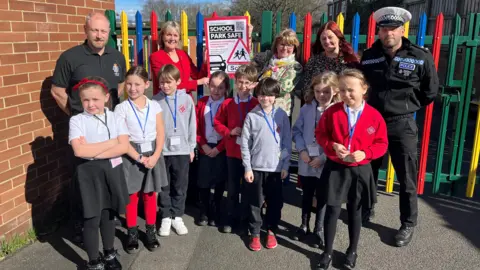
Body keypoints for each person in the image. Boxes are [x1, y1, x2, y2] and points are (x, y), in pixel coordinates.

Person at [360, 7, 439, 247]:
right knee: (368, 170)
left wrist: (406, 107)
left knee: (407, 177)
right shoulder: (369, 55)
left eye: (393, 29)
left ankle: (408, 223)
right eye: (384, 29)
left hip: (401, 122)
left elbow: (431, 91)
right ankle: (367, 207)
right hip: (373, 123)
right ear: (379, 31)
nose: (388, 33)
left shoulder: (419, 56)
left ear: (402, 30)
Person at [51, 11, 127, 243]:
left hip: (108, 129)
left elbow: (120, 86)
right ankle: (81, 225)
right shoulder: (70, 57)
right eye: (94, 30)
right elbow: (57, 91)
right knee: (83, 182)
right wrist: (79, 116)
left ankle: (107, 220)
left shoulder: (118, 57)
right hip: (85, 134)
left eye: (103, 31)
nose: (99, 35)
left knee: (108, 178)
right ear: (86, 31)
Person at [315, 69, 388, 269]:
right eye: (342, 90)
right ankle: (327, 252)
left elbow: (382, 143)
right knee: (332, 210)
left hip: (360, 170)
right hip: (336, 168)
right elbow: (320, 134)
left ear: (364, 89)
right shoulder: (332, 111)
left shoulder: (374, 116)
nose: (346, 95)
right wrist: (332, 145)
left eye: (351, 90)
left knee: (355, 212)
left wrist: (367, 153)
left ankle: (352, 251)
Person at [68, 76, 130, 270]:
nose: (90, 104)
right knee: (91, 217)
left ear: (106, 98)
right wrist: (112, 143)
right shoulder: (77, 120)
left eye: (95, 99)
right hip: (88, 174)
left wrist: (94, 149)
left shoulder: (115, 117)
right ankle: (94, 260)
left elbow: (124, 146)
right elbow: (79, 151)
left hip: (111, 170)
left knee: (108, 214)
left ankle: (110, 253)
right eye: (85, 100)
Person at [114, 66, 167, 253]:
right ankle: (132, 233)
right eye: (128, 84)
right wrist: (138, 157)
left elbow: (160, 132)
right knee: (131, 195)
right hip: (131, 154)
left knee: (150, 194)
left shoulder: (155, 106)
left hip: (152, 151)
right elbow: (122, 139)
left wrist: (155, 155)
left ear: (146, 84)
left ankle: (150, 231)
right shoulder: (121, 108)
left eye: (137, 84)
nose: (132, 88)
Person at [241, 77, 292, 251]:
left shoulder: (282, 115)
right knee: (255, 202)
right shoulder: (251, 116)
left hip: (276, 169)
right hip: (256, 168)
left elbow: (286, 141)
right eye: (262, 95)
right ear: (257, 95)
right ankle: (255, 232)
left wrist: (285, 166)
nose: (265, 98)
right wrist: (247, 167)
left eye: (269, 95)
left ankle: (271, 230)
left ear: (275, 96)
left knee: (275, 202)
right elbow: (245, 144)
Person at [291, 71, 340, 247]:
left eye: (326, 92)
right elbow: (296, 130)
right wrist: (302, 150)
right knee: (306, 193)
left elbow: (340, 138)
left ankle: (319, 229)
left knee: (322, 196)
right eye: (318, 91)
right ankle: (304, 224)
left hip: (325, 161)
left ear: (334, 90)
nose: (322, 95)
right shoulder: (307, 108)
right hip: (306, 159)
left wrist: (324, 157)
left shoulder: (338, 110)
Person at [213, 64, 259, 233]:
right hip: (233, 152)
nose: (243, 86)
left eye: (247, 83)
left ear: (254, 84)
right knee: (232, 188)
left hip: (252, 154)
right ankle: (231, 218)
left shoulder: (256, 103)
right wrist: (229, 132)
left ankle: (245, 218)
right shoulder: (227, 103)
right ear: (235, 82)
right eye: (240, 82)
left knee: (248, 188)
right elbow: (217, 123)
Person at [152, 64, 196, 237]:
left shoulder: (186, 100)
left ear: (178, 81)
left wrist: (191, 147)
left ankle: (177, 215)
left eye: (169, 82)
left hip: (182, 150)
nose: (165, 86)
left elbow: (192, 124)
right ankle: (165, 216)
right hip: (163, 151)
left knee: (180, 185)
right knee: (164, 185)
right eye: (162, 82)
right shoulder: (155, 101)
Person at [195, 71, 229, 226]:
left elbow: (230, 129)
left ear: (226, 89)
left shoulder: (229, 104)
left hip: (222, 147)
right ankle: (204, 210)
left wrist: (220, 148)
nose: (216, 90)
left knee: (220, 179)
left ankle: (216, 208)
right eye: (213, 87)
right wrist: (202, 144)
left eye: (221, 88)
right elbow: (195, 126)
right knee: (204, 180)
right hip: (205, 146)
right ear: (208, 86)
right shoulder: (202, 103)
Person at [299, 21, 358, 103]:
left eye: (330, 37)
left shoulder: (350, 62)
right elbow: (306, 87)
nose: (327, 41)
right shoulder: (314, 61)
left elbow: (355, 88)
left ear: (338, 38)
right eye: (323, 38)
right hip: (318, 107)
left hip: (342, 107)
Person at [150, 21, 209, 95]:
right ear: (162, 36)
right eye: (168, 35)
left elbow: (197, 76)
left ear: (179, 38)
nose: (172, 38)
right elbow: (166, 86)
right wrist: (198, 82)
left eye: (175, 35)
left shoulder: (183, 54)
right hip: (166, 101)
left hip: (186, 102)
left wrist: (205, 63)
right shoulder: (156, 57)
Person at [253, 29, 303, 117]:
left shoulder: (295, 67)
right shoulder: (268, 58)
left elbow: (282, 89)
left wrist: (257, 86)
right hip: (259, 108)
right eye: (282, 44)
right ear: (276, 45)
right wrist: (248, 36)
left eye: (289, 45)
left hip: (279, 112)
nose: (285, 48)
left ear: (294, 48)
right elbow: (248, 56)